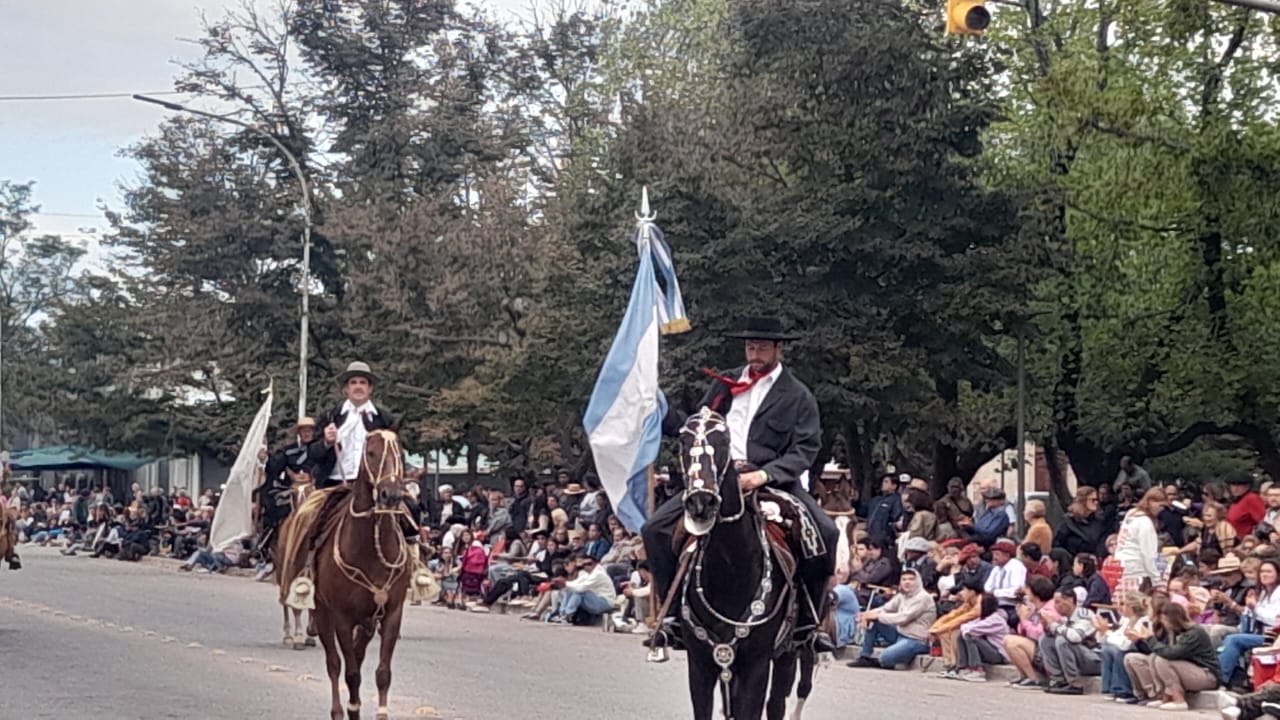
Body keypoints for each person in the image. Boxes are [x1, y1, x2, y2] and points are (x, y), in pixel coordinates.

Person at [643, 316, 839, 652]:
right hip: (717, 479)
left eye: (762, 348)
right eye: (750, 347)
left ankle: (809, 622)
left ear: (778, 349)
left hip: (770, 479)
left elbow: (806, 449)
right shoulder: (725, 384)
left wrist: (763, 475)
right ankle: (672, 615)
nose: (755, 354)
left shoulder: (797, 395)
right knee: (654, 529)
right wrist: (658, 408)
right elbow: (697, 426)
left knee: (826, 532)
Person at [1123, 602, 1219, 710]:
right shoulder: (1171, 631)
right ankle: (1157, 696)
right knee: (1134, 658)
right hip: (1186, 669)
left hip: (1206, 674)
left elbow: (1171, 653)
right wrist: (1141, 640)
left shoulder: (1194, 632)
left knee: (1162, 660)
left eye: (1165, 619)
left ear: (1173, 618)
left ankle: (1178, 699)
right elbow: (1156, 650)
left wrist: (1149, 638)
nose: (1164, 622)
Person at [256, 416, 318, 579]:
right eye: (304, 431)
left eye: (309, 430)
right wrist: (265, 459)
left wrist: (314, 477)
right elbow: (275, 467)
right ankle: (268, 546)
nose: (307, 433)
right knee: (273, 505)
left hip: (316, 487)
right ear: (299, 433)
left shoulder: (320, 449)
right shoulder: (289, 451)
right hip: (291, 487)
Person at [847, 568, 938, 669]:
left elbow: (903, 618)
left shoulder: (923, 597)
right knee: (873, 621)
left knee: (885, 658)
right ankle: (865, 656)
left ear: (918, 581)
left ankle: (887, 659)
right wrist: (866, 615)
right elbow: (885, 608)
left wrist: (878, 616)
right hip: (900, 634)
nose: (907, 582)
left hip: (917, 640)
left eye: (911, 579)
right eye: (904, 579)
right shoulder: (902, 595)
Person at [1038, 587, 1101, 695]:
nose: (1055, 606)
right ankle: (1059, 680)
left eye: (1058, 602)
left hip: (1095, 659)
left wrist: (1054, 625)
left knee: (1063, 641)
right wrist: (1047, 625)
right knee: (1045, 640)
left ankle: (1074, 683)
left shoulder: (1084, 615)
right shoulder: (1065, 618)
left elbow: (1075, 637)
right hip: (1080, 658)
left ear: (1070, 600)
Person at [1097, 591, 1151, 702]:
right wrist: (1104, 632)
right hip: (1126, 648)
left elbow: (1125, 644)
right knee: (1107, 649)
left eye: (1123, 604)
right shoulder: (1127, 621)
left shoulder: (1142, 621)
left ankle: (1124, 690)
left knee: (1117, 651)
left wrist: (1107, 632)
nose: (1120, 607)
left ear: (1132, 607)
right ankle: (1110, 688)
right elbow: (1112, 639)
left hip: (1140, 651)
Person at [1115, 487, 1167, 594]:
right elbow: (1148, 554)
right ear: (1150, 502)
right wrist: (1156, 580)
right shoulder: (1145, 523)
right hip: (1137, 570)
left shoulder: (1131, 514)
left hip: (1120, 564)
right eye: (1160, 505)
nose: (1162, 509)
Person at [952, 593, 1010, 682]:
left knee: (970, 636)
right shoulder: (984, 618)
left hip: (999, 655)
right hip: (989, 649)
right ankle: (963, 667)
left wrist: (965, 627)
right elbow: (967, 626)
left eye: (978, 604)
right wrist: (964, 627)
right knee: (961, 636)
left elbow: (970, 629)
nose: (976, 607)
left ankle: (977, 670)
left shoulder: (996, 620)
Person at [984, 539, 1028, 625]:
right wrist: (995, 593)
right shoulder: (996, 568)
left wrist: (995, 593)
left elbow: (1015, 592)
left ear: (1007, 556)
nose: (994, 557)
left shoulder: (1016, 567)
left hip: (1011, 606)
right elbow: (987, 587)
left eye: (997, 554)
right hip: (995, 604)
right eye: (993, 554)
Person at [1226, 473, 1266, 539]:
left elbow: (1262, 521)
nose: (1235, 488)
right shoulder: (1236, 500)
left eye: (1239, 485)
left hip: (1247, 540)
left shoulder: (1252, 498)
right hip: (1233, 539)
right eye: (1233, 485)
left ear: (1247, 486)